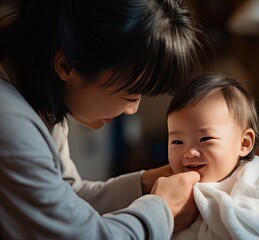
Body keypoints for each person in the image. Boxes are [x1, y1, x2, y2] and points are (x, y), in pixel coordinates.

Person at [0, 0, 204, 239]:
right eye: (129, 95)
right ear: (66, 65)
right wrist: (162, 208)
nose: (132, 110)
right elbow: (82, 234)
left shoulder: (38, 100)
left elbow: (68, 197)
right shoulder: (10, 121)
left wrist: (145, 185)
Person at [166, 74, 259, 239]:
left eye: (205, 139)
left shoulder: (254, 181)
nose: (189, 152)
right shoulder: (171, 185)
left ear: (244, 143)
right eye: (177, 141)